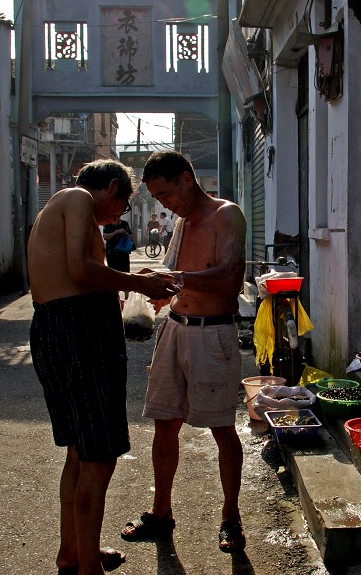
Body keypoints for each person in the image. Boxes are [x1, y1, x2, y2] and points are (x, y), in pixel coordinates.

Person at [27, 159, 179, 575]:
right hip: (77, 338)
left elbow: (72, 276)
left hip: (64, 331)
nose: (118, 215)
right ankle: (87, 567)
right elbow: (80, 270)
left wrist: (119, 293)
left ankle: (75, 555)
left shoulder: (59, 211)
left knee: (80, 453)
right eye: (122, 204)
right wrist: (139, 284)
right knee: (97, 457)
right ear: (112, 186)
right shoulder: (76, 198)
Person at [120, 150, 248, 553]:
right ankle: (161, 513)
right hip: (175, 331)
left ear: (187, 180)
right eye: (156, 198)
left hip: (213, 335)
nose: (163, 203)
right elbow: (174, 280)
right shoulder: (181, 223)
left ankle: (231, 516)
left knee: (222, 428)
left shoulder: (227, 215)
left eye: (165, 193)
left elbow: (229, 278)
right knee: (164, 423)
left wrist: (172, 277)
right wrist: (152, 292)